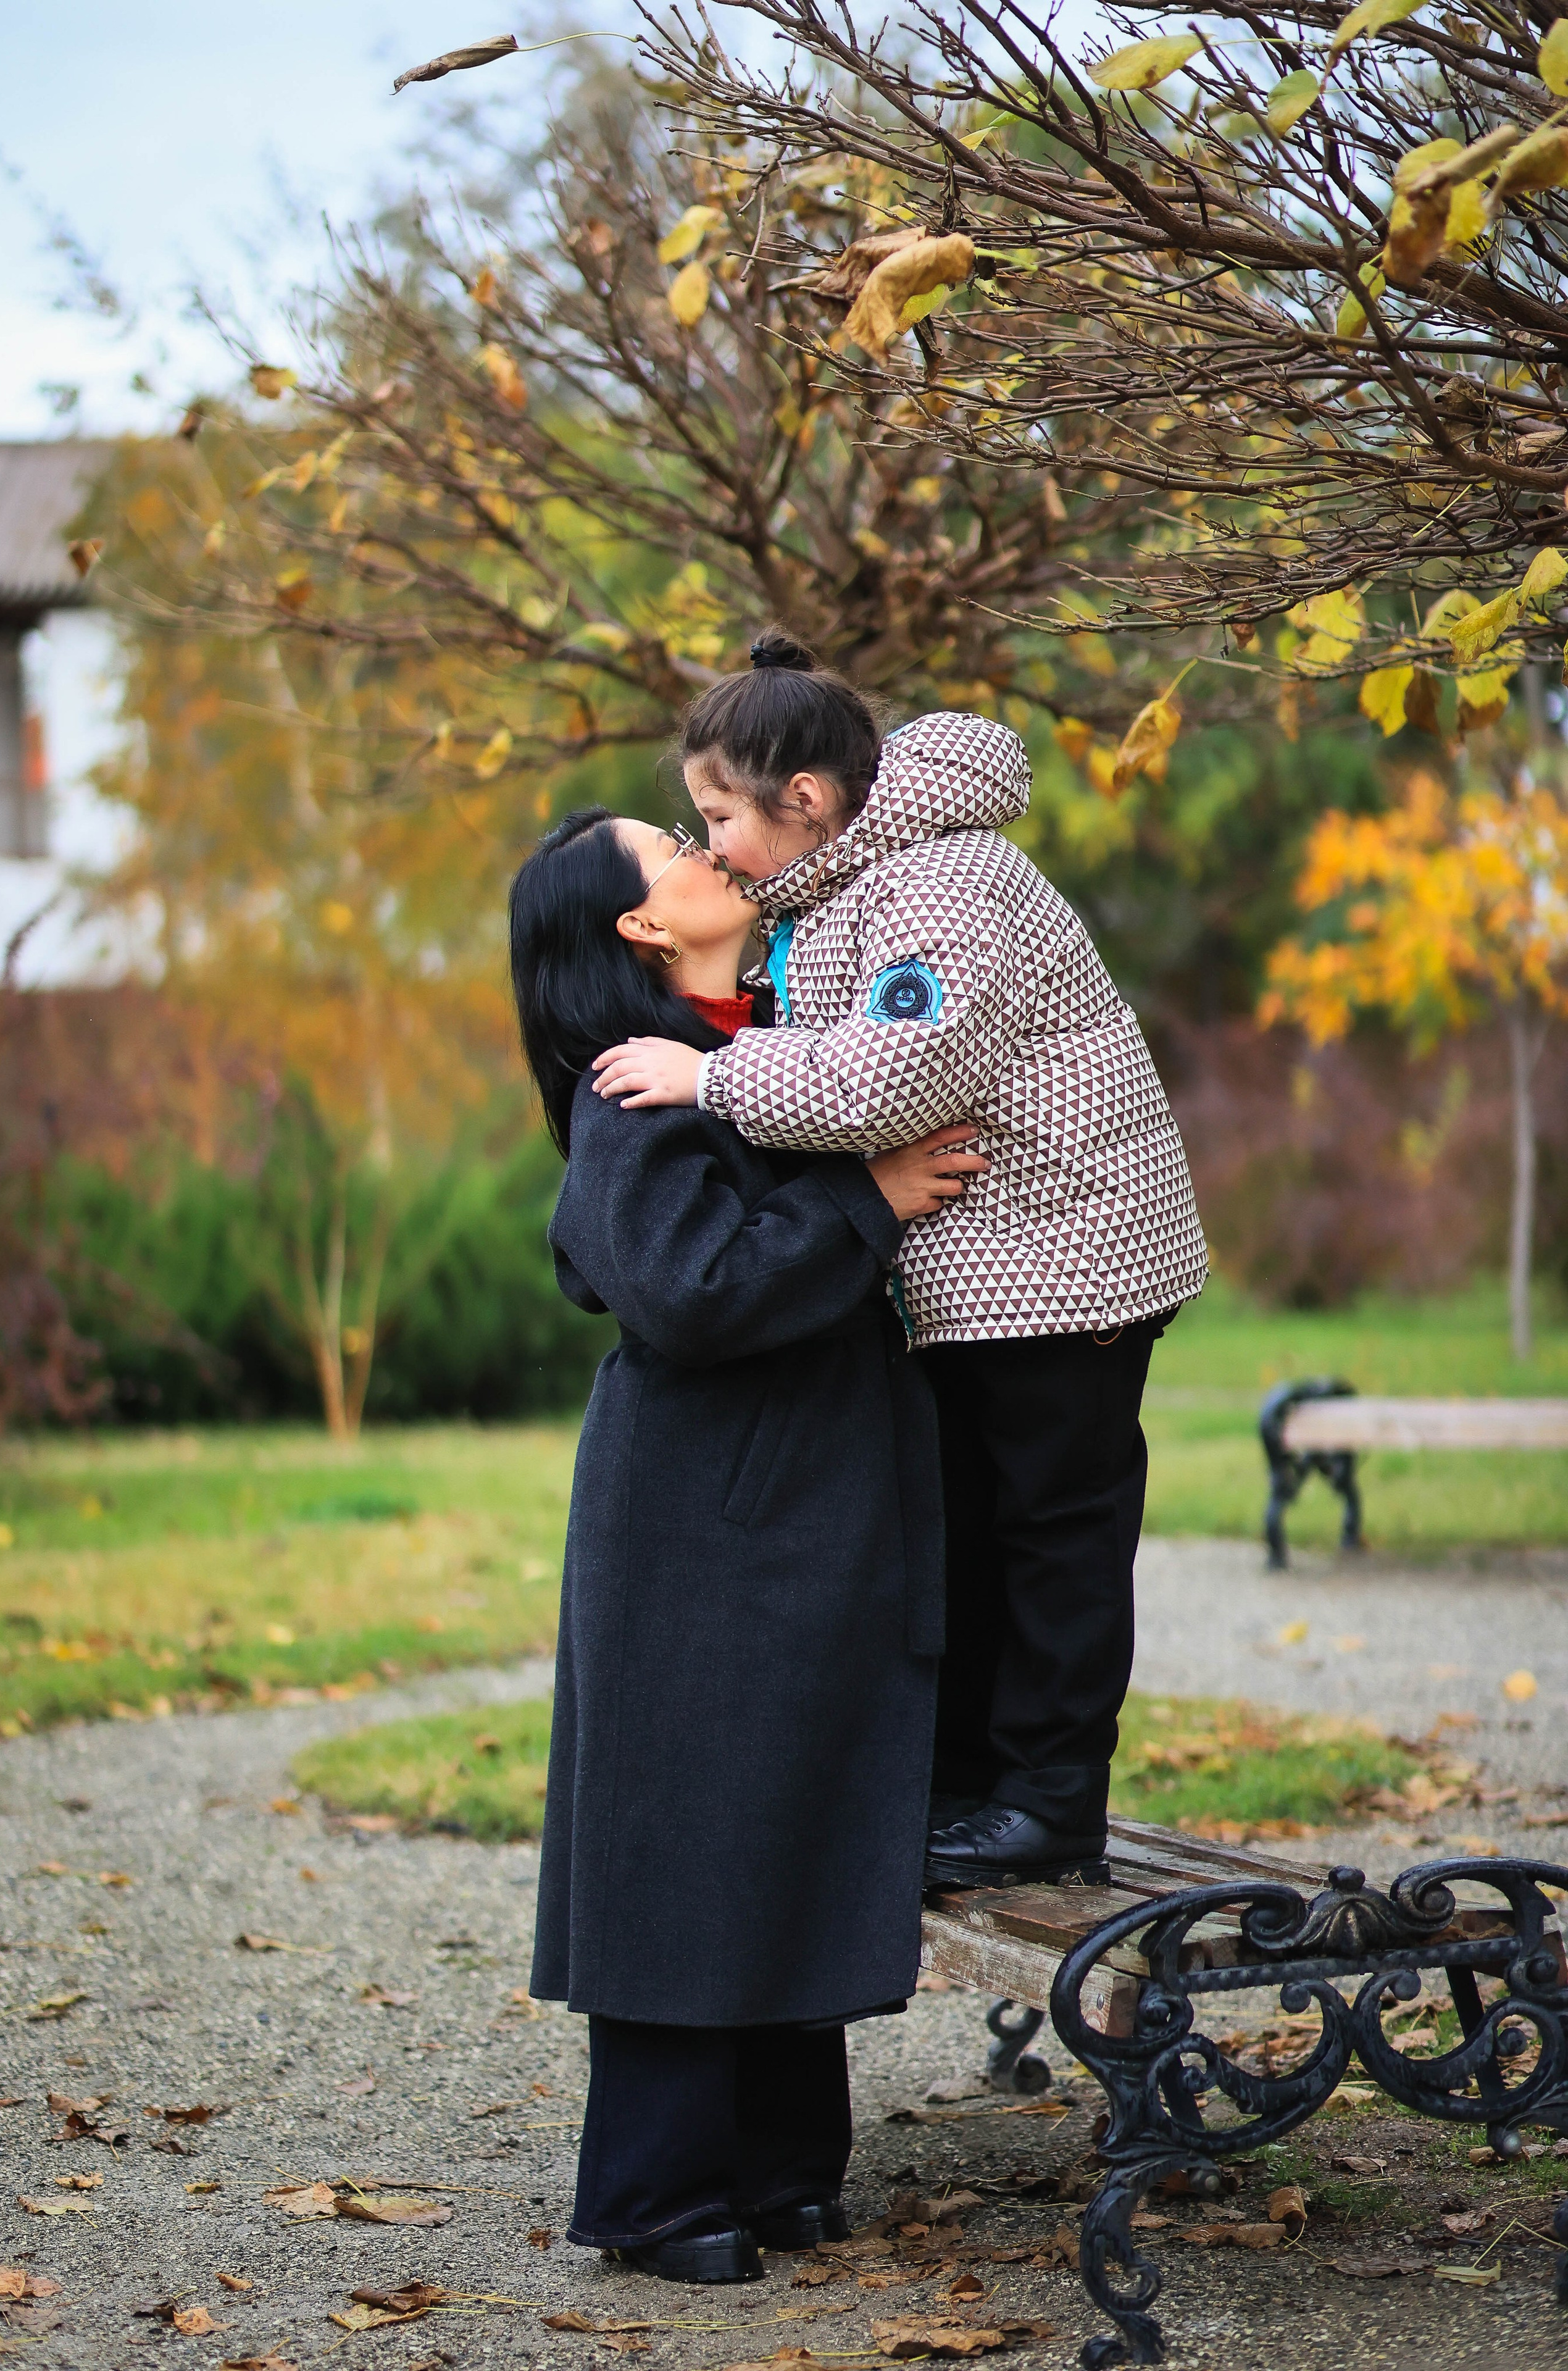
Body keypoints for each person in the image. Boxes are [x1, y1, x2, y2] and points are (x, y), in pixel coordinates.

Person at [590, 635, 1209, 1891]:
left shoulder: (936, 881)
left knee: (1052, 1537)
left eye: (718, 814)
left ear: (802, 801)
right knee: (980, 1535)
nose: (710, 843)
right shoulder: (846, 890)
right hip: (993, 1266)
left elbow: (894, 1074)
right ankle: (977, 1792)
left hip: (1062, 1255)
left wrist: (708, 1076)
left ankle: (1046, 1803)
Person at [511, 804, 986, 2285]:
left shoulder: (770, 1036)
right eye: (676, 848)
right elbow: (687, 1289)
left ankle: (780, 2171)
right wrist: (865, 1197)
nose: (712, 849)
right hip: (704, 1525)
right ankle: (656, 2196)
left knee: (788, 1816)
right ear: (639, 929)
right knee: (688, 1837)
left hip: (804, 1503)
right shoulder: (635, 1089)